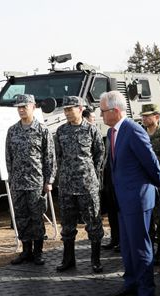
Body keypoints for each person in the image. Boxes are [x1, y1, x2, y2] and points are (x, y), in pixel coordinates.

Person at [101, 91, 160, 296]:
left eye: (103, 111)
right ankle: (131, 284)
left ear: (115, 111)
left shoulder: (133, 130)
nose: (100, 114)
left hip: (137, 199)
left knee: (140, 247)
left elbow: (152, 164)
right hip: (122, 200)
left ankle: (147, 295)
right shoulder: (112, 132)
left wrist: (157, 186)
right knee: (126, 247)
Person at [55, 96, 105, 273]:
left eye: (70, 109)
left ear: (80, 108)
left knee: (93, 224)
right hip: (67, 186)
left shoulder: (91, 130)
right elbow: (58, 156)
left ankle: (95, 260)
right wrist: (64, 174)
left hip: (87, 185)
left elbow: (100, 153)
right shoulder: (61, 131)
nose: (67, 112)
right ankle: (68, 260)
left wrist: (92, 173)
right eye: (65, 109)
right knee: (67, 226)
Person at [6, 94, 56, 265]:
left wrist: (49, 181)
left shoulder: (42, 130)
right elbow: (8, 157)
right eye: (18, 107)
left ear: (33, 107)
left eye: (24, 107)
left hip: (36, 182)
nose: (20, 110)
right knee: (21, 217)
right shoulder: (12, 130)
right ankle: (25, 250)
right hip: (18, 183)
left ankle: (38, 252)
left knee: (36, 217)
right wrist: (11, 179)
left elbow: (49, 157)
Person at [140, 104, 160, 266]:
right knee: (148, 219)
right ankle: (149, 251)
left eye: (147, 116)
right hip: (145, 185)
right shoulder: (141, 135)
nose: (144, 119)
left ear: (157, 117)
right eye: (143, 116)